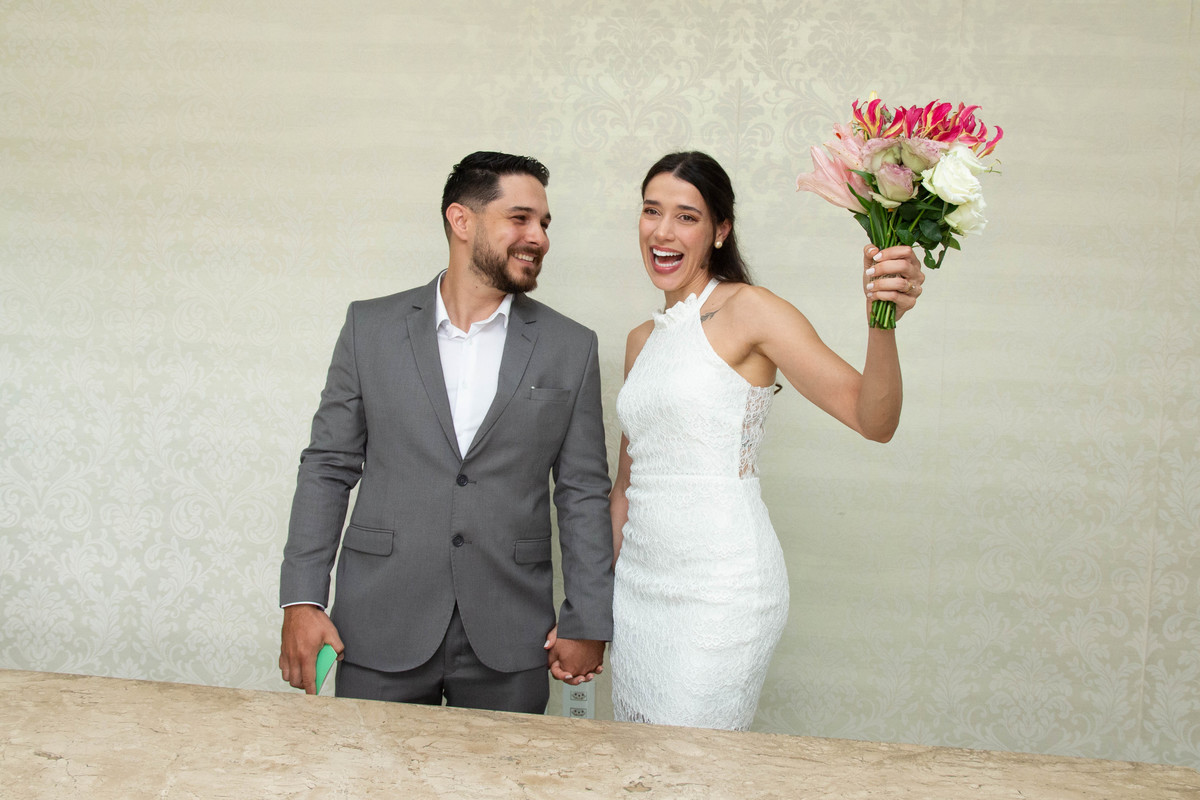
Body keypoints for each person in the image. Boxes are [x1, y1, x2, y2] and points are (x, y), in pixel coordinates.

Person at [278, 151, 613, 714]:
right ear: (461, 220)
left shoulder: (571, 346)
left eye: (544, 223)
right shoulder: (369, 328)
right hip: (380, 620)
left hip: (511, 631)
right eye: (520, 218)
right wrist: (302, 599)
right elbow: (327, 467)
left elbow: (583, 492)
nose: (539, 237)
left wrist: (588, 617)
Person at [609, 151, 924, 730]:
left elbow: (874, 421)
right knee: (638, 760)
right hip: (638, 592)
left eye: (686, 216)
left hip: (721, 590)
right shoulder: (641, 341)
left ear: (720, 230)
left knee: (690, 764)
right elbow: (626, 486)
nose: (662, 231)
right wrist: (593, 603)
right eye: (651, 211)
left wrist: (882, 320)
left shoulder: (750, 310)